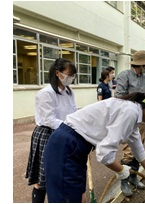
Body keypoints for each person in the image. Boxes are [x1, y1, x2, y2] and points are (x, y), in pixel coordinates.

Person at [43, 92, 145, 203]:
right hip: (66, 147)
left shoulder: (133, 112)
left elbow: (138, 150)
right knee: (66, 199)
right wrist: (120, 170)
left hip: (73, 146)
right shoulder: (129, 113)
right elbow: (104, 154)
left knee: (79, 197)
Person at [25, 58, 77, 203]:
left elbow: (73, 112)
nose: (71, 77)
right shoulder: (46, 93)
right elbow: (49, 120)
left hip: (65, 133)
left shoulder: (69, 92)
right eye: (69, 74)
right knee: (42, 179)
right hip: (47, 135)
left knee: (59, 175)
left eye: (73, 74)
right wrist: (71, 129)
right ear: (57, 73)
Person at [115, 50, 145, 196]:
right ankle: (123, 182)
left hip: (141, 119)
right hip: (128, 118)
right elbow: (119, 96)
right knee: (128, 152)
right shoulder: (125, 76)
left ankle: (133, 177)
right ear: (141, 64)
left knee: (139, 148)